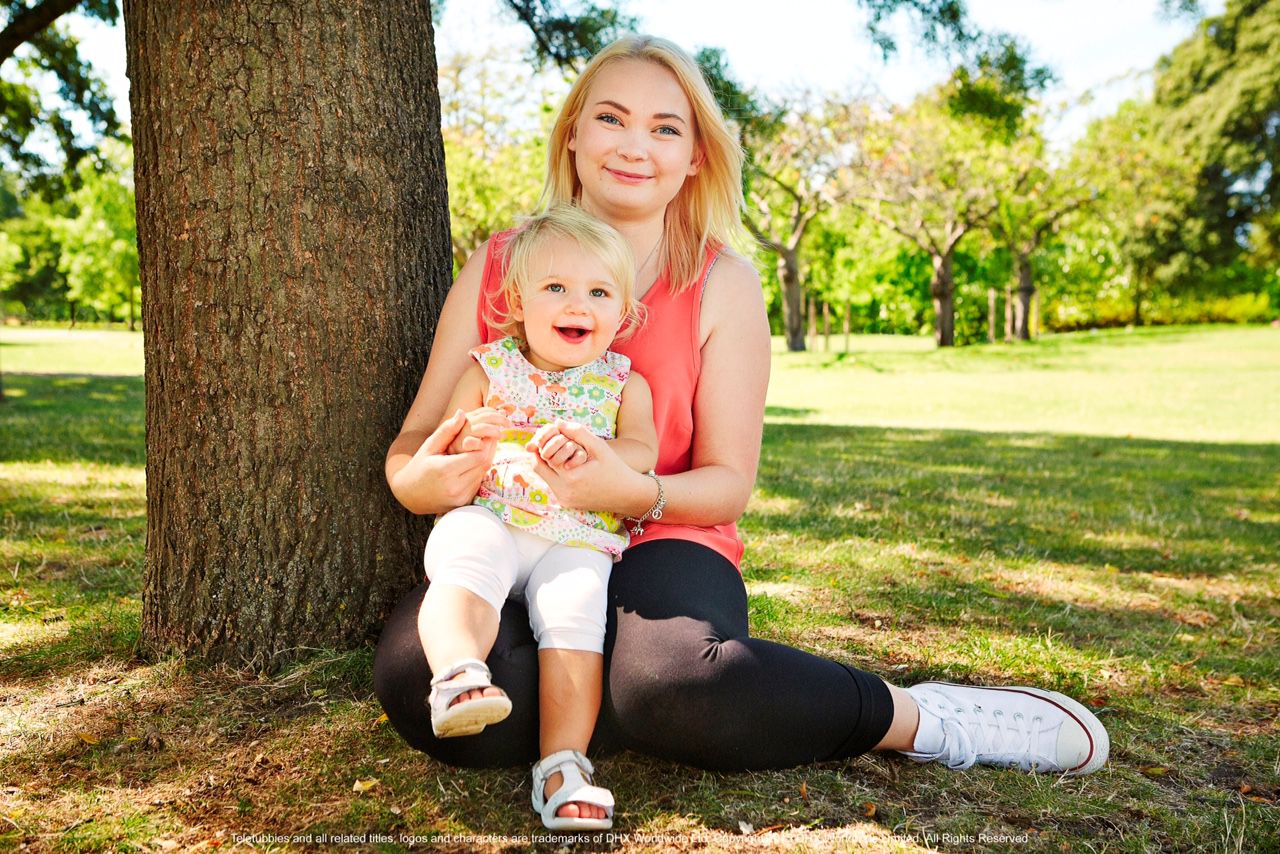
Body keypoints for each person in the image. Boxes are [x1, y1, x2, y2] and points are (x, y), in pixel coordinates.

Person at [376, 31, 1108, 827]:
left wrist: (628, 489)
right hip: (515, 534)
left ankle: (919, 717)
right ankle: (624, 704)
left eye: (665, 128)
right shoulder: (501, 265)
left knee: (673, 680)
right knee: (420, 682)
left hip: (664, 535)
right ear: (573, 134)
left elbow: (728, 483)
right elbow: (413, 445)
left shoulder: (722, 280)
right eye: (611, 119)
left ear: (695, 155)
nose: (634, 146)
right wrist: (426, 481)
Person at [416, 205, 657, 830]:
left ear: (623, 313)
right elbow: (450, 438)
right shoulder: (489, 367)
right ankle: (457, 675)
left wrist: (598, 451)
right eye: (556, 287)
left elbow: (642, 452)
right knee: (466, 556)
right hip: (494, 518)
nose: (579, 304)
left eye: (599, 293)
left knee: (578, 614)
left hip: (574, 536)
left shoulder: (623, 384)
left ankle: (562, 766)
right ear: (518, 302)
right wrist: (469, 439)